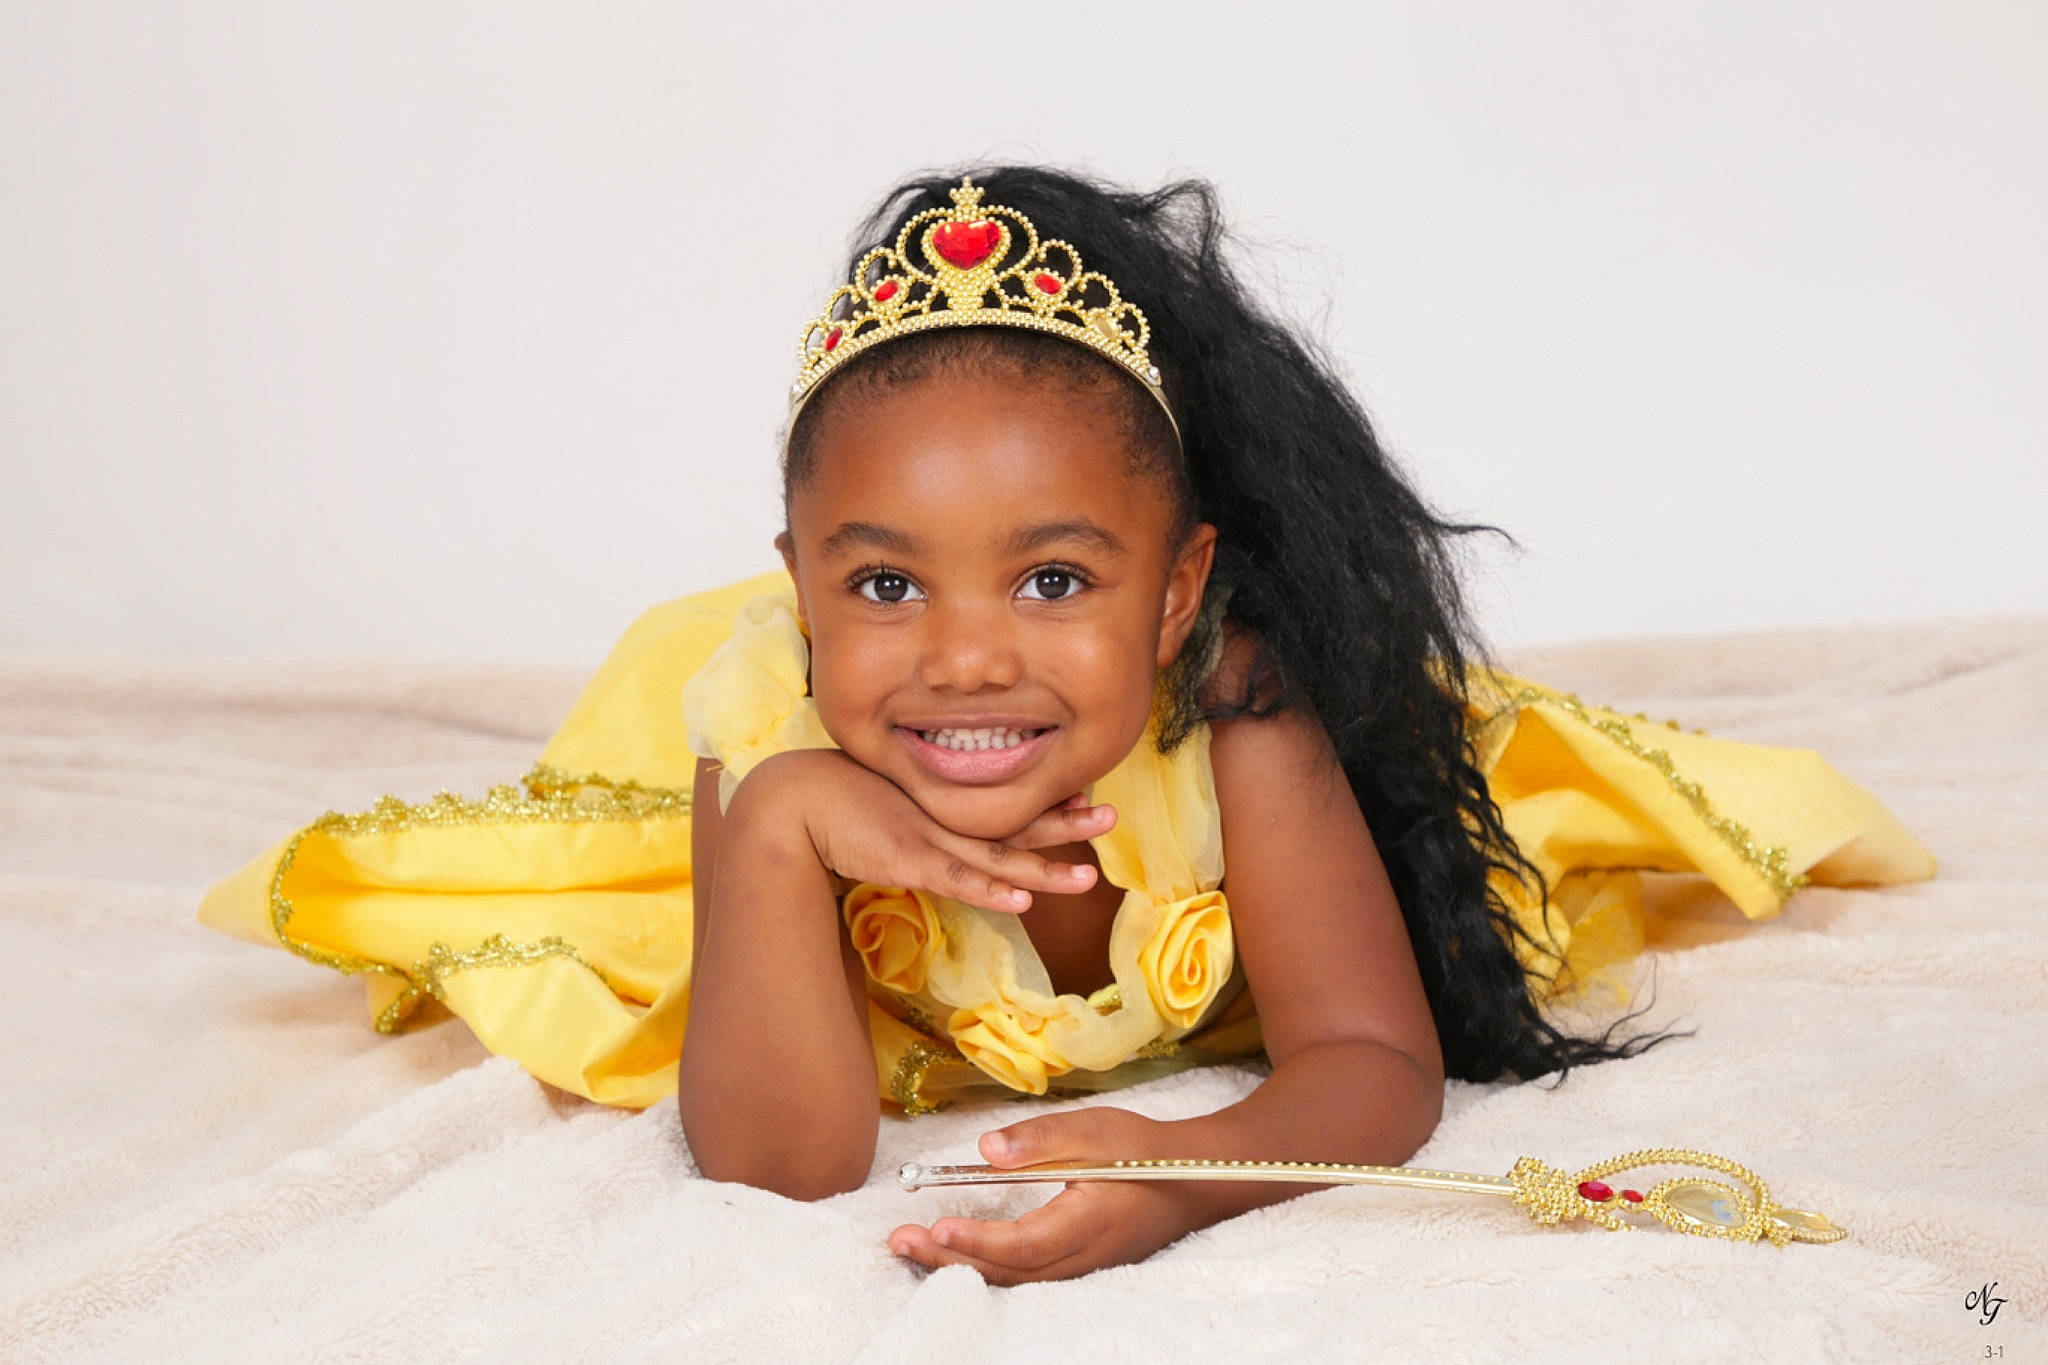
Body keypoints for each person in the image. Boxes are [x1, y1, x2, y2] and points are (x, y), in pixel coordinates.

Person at [198, 165, 1936, 1283]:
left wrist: (1188, 1169)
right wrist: (787, 821)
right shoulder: (768, 720)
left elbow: (1375, 1065)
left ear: (1175, 597)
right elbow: (782, 1164)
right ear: (801, 592)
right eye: (884, 589)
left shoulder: (1236, 707)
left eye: (1051, 581)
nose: (964, 659)